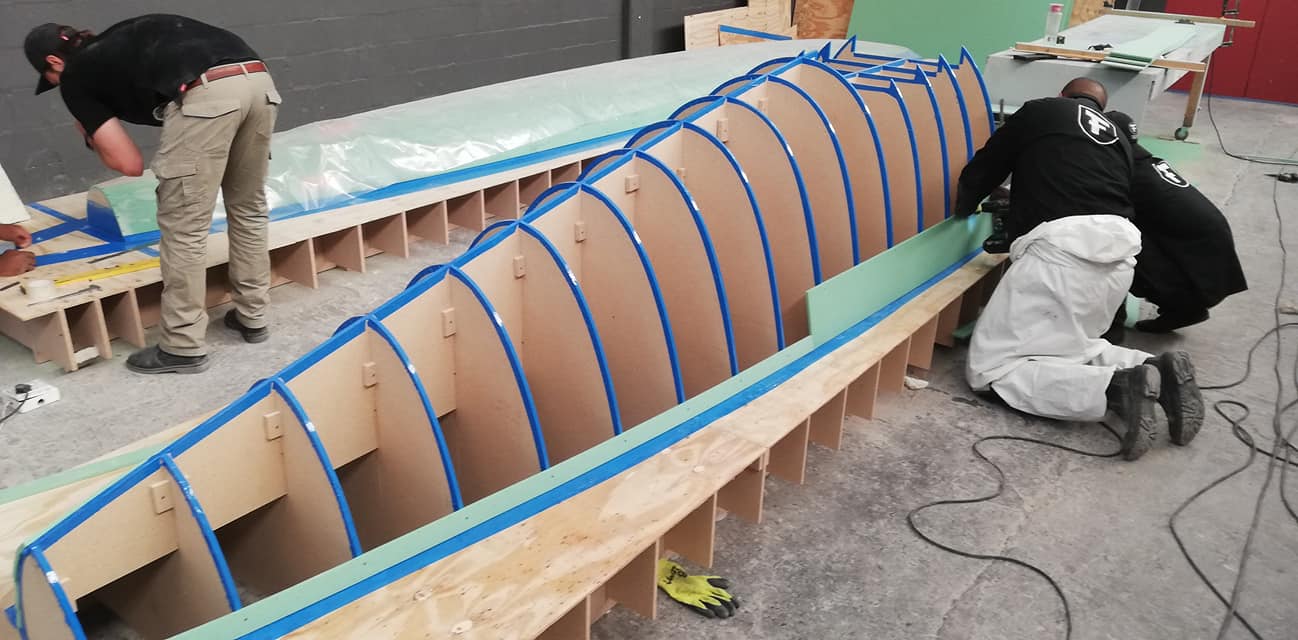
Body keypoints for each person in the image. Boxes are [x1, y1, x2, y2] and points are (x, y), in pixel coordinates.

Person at [953, 78, 1204, 460]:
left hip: (1062, 253)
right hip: (1119, 258)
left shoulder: (1040, 110)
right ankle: (1156, 367)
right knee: (1073, 346)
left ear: (1061, 95)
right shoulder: (1118, 137)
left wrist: (961, 208)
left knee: (991, 369)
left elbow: (987, 165)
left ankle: (1115, 388)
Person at [25, 15, 282, 374]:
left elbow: (128, 163)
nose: (56, 85)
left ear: (54, 62)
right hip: (257, 80)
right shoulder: (118, 41)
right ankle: (252, 317)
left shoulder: (75, 77)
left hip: (204, 91)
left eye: (50, 78)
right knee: (249, 210)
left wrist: (90, 134)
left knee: (184, 226)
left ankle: (182, 346)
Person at [1104, 110, 1248, 333]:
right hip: (1206, 232)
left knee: (1120, 245)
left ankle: (1183, 308)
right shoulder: (1146, 161)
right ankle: (1183, 306)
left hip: (1196, 242)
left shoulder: (1128, 175)